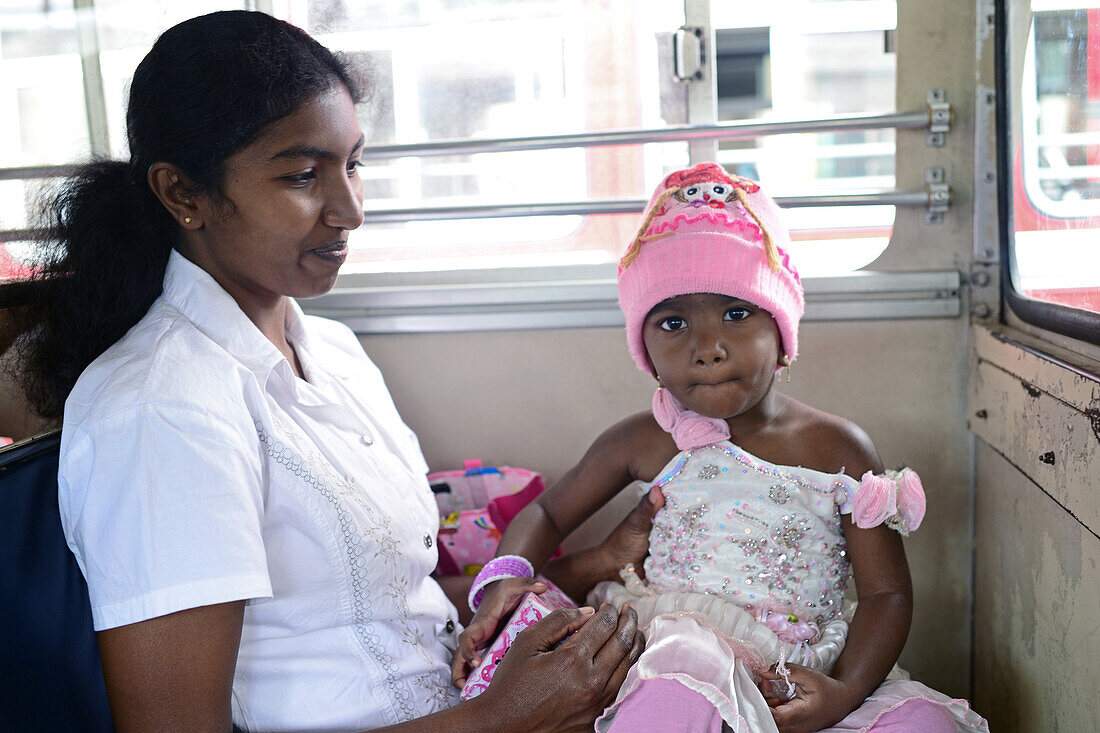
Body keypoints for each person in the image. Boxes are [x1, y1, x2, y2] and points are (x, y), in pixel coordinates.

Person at [12, 11, 659, 732]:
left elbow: (382, 606)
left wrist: (565, 577)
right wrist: (502, 717)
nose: (350, 209)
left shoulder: (336, 354)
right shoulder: (161, 410)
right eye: (301, 175)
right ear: (182, 193)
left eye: (354, 163)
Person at [455, 164, 990, 732]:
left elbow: (886, 594)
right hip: (672, 651)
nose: (706, 348)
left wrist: (845, 691)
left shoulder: (837, 448)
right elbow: (546, 511)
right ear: (645, 348)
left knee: (926, 723)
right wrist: (507, 577)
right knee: (683, 690)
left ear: (781, 334)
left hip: (802, 676)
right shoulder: (642, 439)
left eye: (737, 315)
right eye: (674, 322)